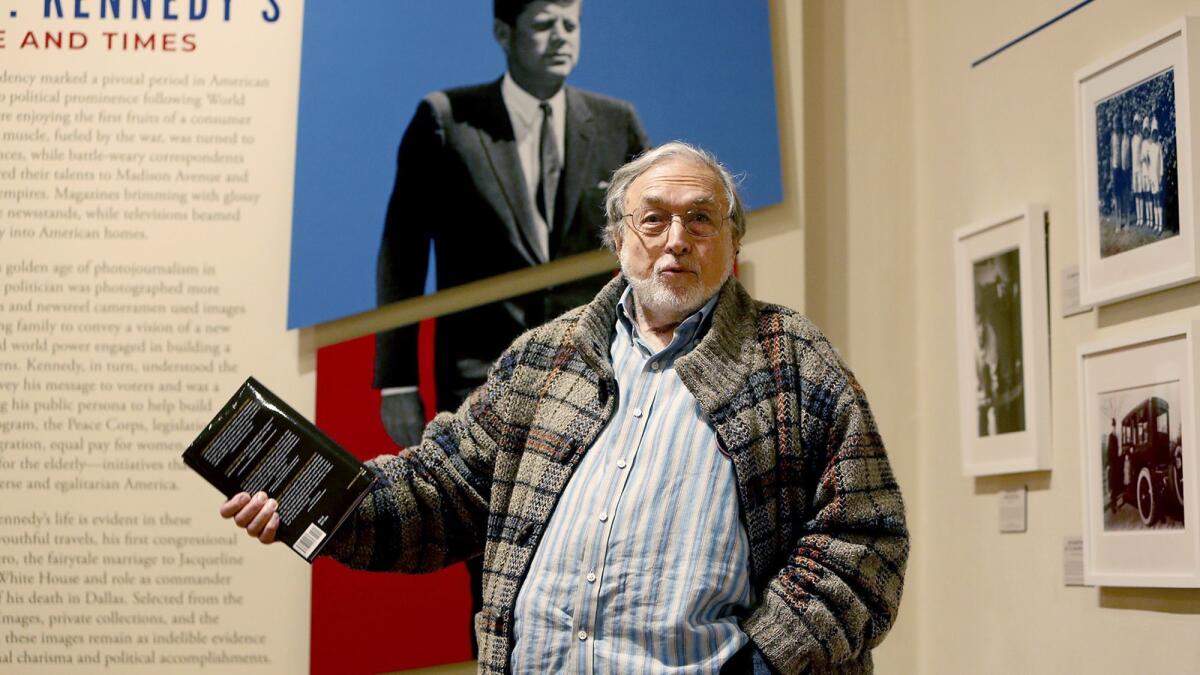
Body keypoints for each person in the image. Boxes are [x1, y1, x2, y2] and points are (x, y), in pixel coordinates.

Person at [224, 143, 909, 674]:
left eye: (701, 219)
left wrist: (763, 661)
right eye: (654, 219)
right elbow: (437, 490)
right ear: (619, 238)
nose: (676, 239)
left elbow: (866, 535)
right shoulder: (543, 358)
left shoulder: (791, 359)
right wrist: (309, 496)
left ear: (734, 244)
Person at [374, 0, 650, 447]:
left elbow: (649, 245)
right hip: (477, 382)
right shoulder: (447, 120)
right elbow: (401, 254)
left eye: (570, 23)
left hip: (594, 374)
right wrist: (398, 381)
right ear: (503, 34)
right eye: (543, 24)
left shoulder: (616, 123)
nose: (561, 35)